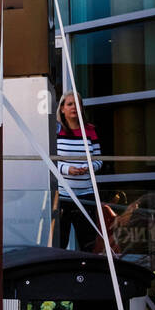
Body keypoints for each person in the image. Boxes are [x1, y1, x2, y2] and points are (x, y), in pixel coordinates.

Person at [56, 90, 102, 251]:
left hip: (86, 195)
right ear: (62, 108)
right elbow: (49, 162)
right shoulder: (56, 131)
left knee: (88, 243)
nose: (74, 107)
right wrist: (68, 169)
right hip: (63, 196)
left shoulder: (90, 130)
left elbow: (99, 160)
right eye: (70, 104)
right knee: (59, 243)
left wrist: (87, 168)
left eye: (78, 104)